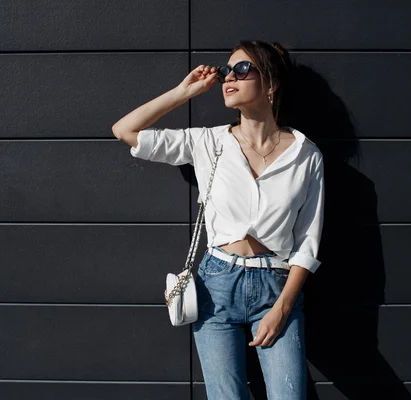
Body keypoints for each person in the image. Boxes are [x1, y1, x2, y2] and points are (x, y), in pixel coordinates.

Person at [112, 40, 324, 400]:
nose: (229, 78)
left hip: (276, 285)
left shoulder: (306, 155)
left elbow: (308, 241)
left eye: (242, 70)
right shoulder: (209, 142)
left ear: (271, 84)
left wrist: (283, 307)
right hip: (216, 286)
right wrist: (183, 92)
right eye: (227, 71)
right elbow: (125, 130)